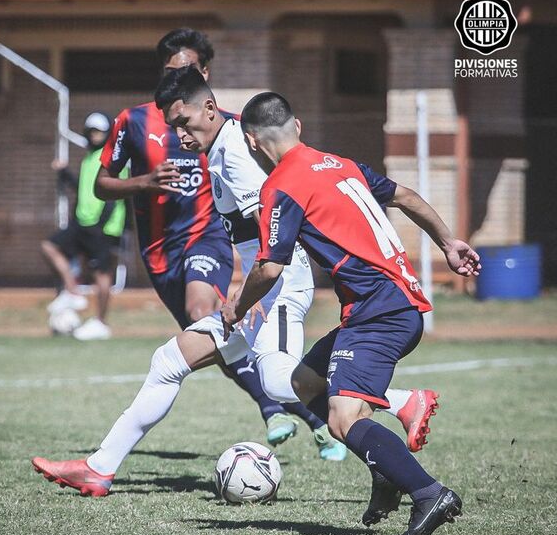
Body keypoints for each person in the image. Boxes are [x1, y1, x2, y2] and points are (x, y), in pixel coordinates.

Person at [30, 79, 440, 500]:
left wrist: (253, 298)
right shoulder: (223, 147)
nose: (181, 135)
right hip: (263, 289)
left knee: (283, 382)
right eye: (174, 127)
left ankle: (401, 401)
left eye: (185, 122)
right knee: (170, 361)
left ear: (209, 108)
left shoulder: (237, 154)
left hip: (275, 291)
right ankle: (98, 470)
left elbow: (277, 237)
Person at [221, 91, 482, 535]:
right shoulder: (341, 164)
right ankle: (387, 472)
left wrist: (237, 307)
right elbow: (406, 195)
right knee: (304, 383)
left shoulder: (280, 185)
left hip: (379, 311)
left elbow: (269, 267)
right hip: (389, 303)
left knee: (342, 419)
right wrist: (447, 242)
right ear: (297, 126)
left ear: (250, 142)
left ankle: (428, 492)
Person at [95, 28, 347, 456]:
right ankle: (317, 414)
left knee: (197, 327)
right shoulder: (139, 122)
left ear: (204, 80)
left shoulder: (231, 140)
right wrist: (143, 182)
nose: (181, 137)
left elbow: (272, 236)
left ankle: (100, 467)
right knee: (238, 365)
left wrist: (244, 292)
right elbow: (101, 184)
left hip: (227, 253)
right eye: (171, 70)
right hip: (161, 251)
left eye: (188, 70)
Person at [42, 112, 126, 340]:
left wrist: (102, 224)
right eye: (91, 131)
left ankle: (101, 322)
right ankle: (72, 290)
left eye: (99, 131)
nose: (95, 135)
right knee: (50, 246)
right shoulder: (89, 157)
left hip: (103, 227)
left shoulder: (112, 157)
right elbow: (83, 186)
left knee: (101, 273)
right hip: (82, 223)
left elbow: (116, 193)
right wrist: (63, 173)